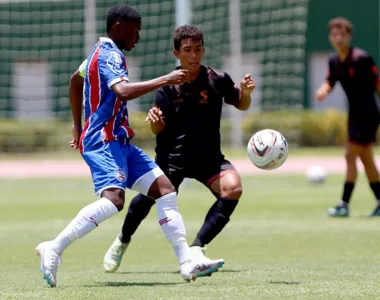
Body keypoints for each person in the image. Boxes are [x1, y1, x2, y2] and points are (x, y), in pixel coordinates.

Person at [35, 5, 223, 288]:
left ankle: (187, 261)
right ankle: (54, 247)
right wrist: (165, 78)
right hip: (103, 140)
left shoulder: (98, 53)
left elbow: (75, 81)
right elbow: (121, 91)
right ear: (119, 26)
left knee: (165, 190)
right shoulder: (110, 55)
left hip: (119, 140)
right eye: (135, 31)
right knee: (114, 201)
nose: (138, 37)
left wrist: (77, 125)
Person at [102, 24, 255, 273]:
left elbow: (241, 104)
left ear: (204, 51)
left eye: (198, 49)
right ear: (177, 54)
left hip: (208, 157)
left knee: (233, 188)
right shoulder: (167, 87)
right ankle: (122, 240)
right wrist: (156, 123)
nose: (193, 55)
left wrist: (246, 93)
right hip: (172, 158)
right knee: (145, 202)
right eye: (187, 50)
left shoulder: (218, 79)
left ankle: (197, 247)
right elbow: (158, 130)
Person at [316, 17, 380, 217]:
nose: (338, 38)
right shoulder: (334, 60)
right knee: (366, 159)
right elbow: (330, 81)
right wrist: (323, 91)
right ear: (330, 37)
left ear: (349, 36)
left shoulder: (362, 58)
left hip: (369, 113)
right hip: (354, 114)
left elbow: (378, 84)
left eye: (342, 34)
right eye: (335, 34)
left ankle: (343, 204)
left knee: (350, 154)